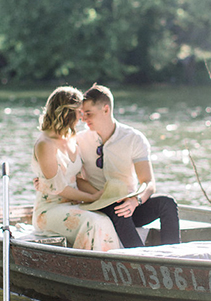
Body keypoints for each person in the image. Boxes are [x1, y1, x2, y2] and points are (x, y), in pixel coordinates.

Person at [77, 84, 180, 248]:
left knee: (167, 204)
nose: (83, 119)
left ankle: (173, 257)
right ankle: (141, 260)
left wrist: (135, 201)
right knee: (120, 211)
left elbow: (148, 182)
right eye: (82, 114)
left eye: (88, 113)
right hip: (98, 205)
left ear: (106, 109)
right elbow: (75, 178)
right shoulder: (79, 140)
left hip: (129, 204)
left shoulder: (134, 138)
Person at [32, 86, 120, 251]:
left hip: (75, 205)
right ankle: (91, 269)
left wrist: (103, 195)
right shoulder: (45, 144)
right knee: (93, 222)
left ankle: (113, 267)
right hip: (50, 209)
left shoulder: (72, 139)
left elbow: (78, 179)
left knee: (105, 219)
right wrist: (92, 197)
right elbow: (58, 188)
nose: (82, 117)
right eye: (80, 112)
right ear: (67, 113)